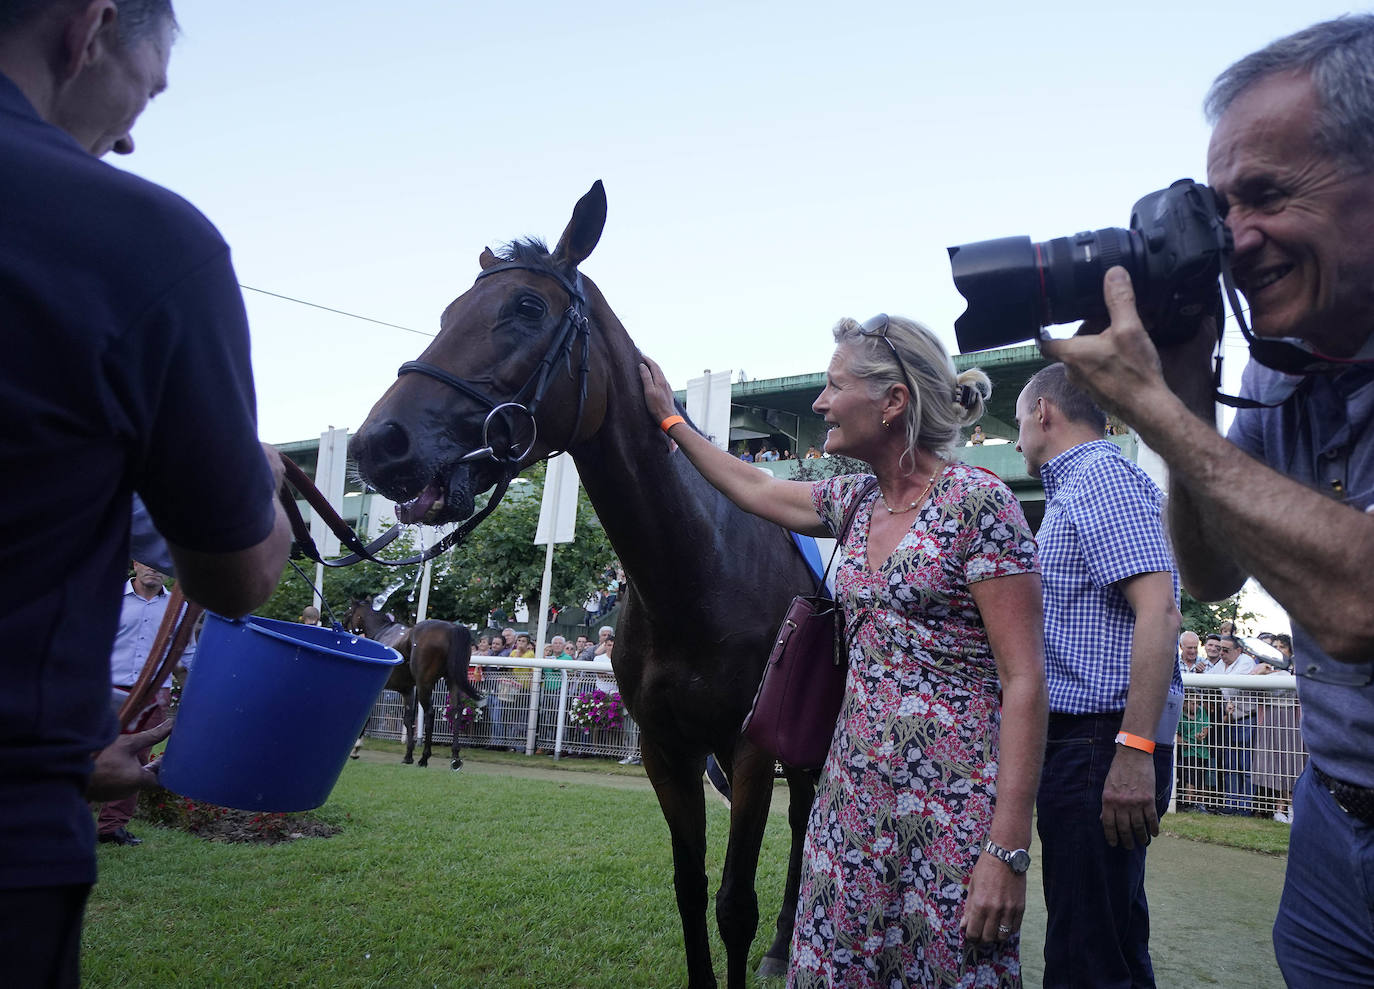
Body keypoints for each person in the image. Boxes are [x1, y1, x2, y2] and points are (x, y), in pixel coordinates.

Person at [1040, 16, 1374, 982]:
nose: (1236, 242)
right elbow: (1213, 564)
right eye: (1223, 209)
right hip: (1333, 813)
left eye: (1269, 194)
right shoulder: (1279, 368)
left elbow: (1359, 606)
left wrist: (1152, 407)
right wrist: (1185, 401)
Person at [0, 2, 292, 984]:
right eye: (148, 93)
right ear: (88, 27)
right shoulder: (143, 241)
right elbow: (240, 575)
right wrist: (258, 483)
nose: (128, 135)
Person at [641, 312, 1047, 987]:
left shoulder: (980, 503)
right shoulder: (854, 500)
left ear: (892, 402)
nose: (820, 403)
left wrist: (1007, 847)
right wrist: (671, 423)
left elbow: (1025, 677)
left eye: (834, 386)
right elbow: (756, 487)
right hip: (849, 808)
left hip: (952, 819)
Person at [1014, 363, 1182, 988]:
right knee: (1105, 941)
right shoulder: (1078, 487)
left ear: (1043, 414)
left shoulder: (1099, 479)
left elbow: (1159, 612)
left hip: (1099, 742)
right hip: (1091, 744)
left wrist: (1134, 750)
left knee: (1088, 956)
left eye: (1022, 419)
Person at [94, 561, 184, 847]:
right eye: (148, 562)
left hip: (153, 694)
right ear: (135, 563)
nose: (154, 569)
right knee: (89, 754)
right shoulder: (107, 598)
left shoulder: (177, 607)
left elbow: (186, 652)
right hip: (106, 689)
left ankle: (112, 827)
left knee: (137, 760)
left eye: (161, 565)